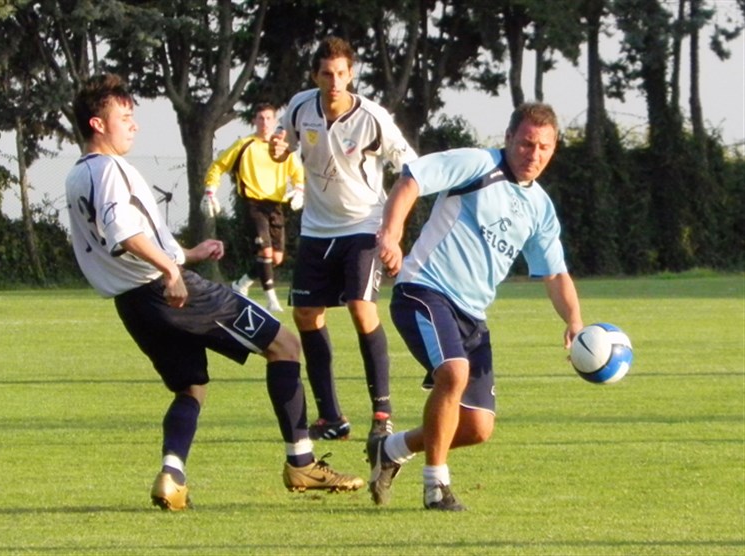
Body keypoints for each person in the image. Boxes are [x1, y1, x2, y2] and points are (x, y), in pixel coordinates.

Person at [65, 73, 364, 511]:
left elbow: (123, 242)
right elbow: (123, 233)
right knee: (284, 344)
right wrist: (171, 269)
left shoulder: (77, 176)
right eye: (125, 116)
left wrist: (185, 253)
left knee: (191, 387)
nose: (134, 125)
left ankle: (172, 475)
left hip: (133, 305)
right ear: (97, 124)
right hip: (169, 294)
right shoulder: (108, 169)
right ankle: (302, 462)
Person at [370, 102, 584, 511]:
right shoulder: (476, 164)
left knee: (477, 427)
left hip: (473, 315)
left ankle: (392, 449)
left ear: (553, 149)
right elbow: (411, 180)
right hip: (424, 290)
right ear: (508, 139)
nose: (533, 154)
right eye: (525, 143)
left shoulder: (539, 207)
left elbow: (555, 273)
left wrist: (574, 320)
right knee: (453, 372)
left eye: (543, 147)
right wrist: (392, 235)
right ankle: (437, 487)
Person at [269, 36, 417, 442]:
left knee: (360, 307)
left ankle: (382, 413)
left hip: (363, 226)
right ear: (315, 75)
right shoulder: (300, 107)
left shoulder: (372, 117)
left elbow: (411, 171)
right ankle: (331, 417)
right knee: (305, 316)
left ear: (351, 74)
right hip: (317, 228)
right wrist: (279, 149)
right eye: (326, 73)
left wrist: (394, 232)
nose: (334, 81)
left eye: (340, 73)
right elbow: (284, 145)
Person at [202, 103, 305, 313]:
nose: (265, 123)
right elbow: (219, 165)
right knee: (265, 251)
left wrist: (299, 190)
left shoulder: (283, 148)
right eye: (260, 118)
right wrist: (210, 191)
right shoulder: (244, 144)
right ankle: (271, 299)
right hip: (252, 204)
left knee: (276, 258)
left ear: (275, 122)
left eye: (269, 118)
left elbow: (297, 173)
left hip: (275, 206)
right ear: (254, 121)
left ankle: (242, 283)